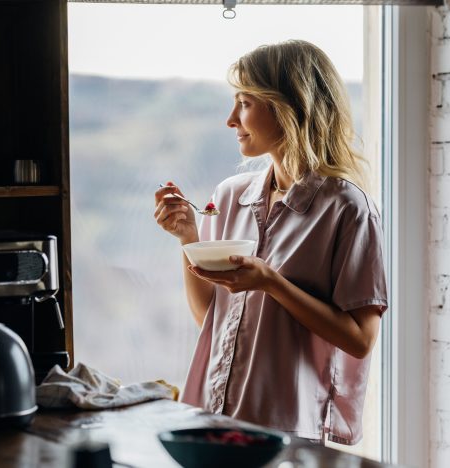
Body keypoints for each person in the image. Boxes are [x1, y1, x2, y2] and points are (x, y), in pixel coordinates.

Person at [153, 40, 387, 445]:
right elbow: (211, 316)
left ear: (289, 107)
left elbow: (360, 339)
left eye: (244, 102)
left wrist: (271, 282)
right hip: (214, 415)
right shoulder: (229, 196)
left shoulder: (347, 209)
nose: (231, 119)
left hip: (287, 426)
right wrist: (188, 238)